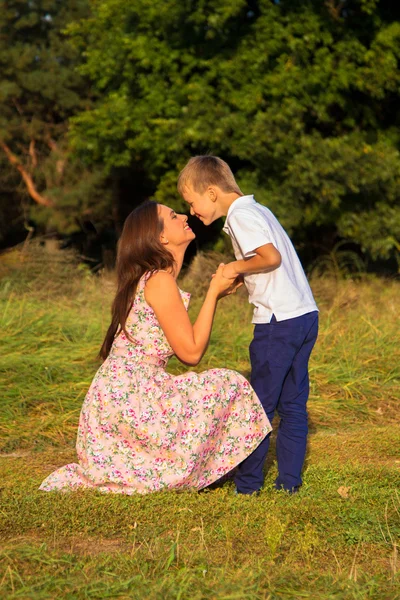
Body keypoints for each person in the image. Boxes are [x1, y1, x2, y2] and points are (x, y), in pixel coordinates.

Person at [39, 201, 271, 495]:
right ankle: (240, 478)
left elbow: (188, 345)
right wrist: (213, 292)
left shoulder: (150, 278)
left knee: (206, 390)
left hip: (116, 399)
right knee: (231, 383)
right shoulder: (159, 280)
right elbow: (191, 354)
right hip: (134, 398)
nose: (185, 216)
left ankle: (206, 468)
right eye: (173, 216)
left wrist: (215, 295)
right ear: (161, 237)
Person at [178, 156, 319, 495]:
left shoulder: (240, 215)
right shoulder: (259, 210)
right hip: (303, 315)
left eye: (191, 202)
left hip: (277, 323)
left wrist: (233, 268)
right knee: (293, 406)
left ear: (211, 193)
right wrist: (245, 271)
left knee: (257, 410)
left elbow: (270, 257)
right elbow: (270, 262)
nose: (192, 211)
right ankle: (289, 484)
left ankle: (247, 485)